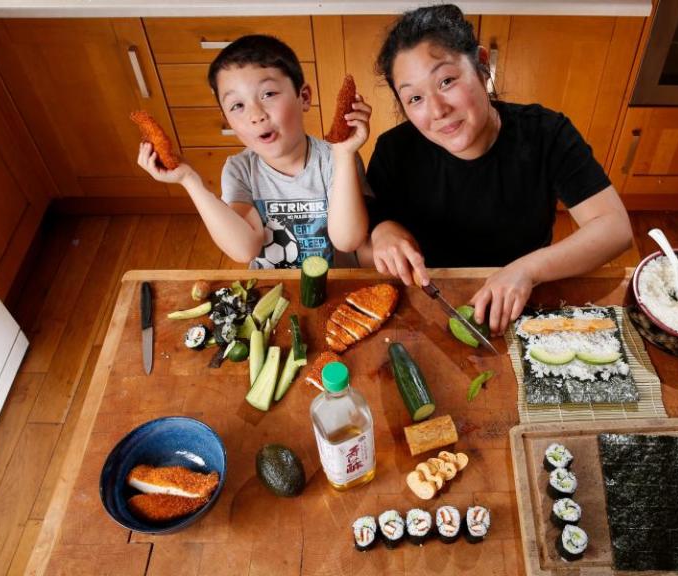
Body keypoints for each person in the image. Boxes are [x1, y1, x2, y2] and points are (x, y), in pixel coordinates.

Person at [365, 4, 633, 334]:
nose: (437, 110)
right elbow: (369, 228)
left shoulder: (546, 133)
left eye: (447, 81)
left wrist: (527, 270)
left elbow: (614, 228)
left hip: (524, 299)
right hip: (430, 309)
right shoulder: (395, 150)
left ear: (481, 65)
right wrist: (383, 232)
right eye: (415, 99)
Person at [137, 35, 372, 268]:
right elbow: (245, 249)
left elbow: (348, 240)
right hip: (272, 291)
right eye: (237, 105)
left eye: (268, 94)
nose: (256, 115)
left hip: (335, 288)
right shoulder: (239, 170)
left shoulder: (337, 158)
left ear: (304, 97)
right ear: (228, 120)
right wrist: (189, 180)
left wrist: (344, 156)